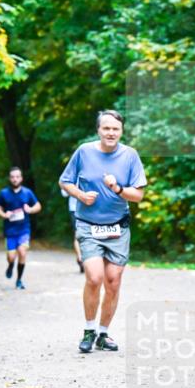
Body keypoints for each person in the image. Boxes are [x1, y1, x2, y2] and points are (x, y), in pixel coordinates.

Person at [59, 110, 147, 353]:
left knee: (113, 281)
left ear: (121, 131)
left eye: (115, 129)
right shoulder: (84, 152)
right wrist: (80, 195)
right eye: (106, 128)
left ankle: (104, 334)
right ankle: (88, 330)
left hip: (118, 227)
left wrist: (117, 188)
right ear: (98, 130)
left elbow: (138, 195)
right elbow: (65, 181)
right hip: (88, 225)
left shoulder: (130, 156)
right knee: (95, 277)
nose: (111, 133)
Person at [0, 167, 41, 290]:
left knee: (22, 252)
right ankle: (10, 265)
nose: (15, 179)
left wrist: (30, 209)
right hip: (10, 231)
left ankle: (19, 280)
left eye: (17, 177)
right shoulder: (4, 193)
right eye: (12, 177)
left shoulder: (27, 192)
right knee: (11, 257)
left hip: (24, 229)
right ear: (10, 178)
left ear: (21, 178)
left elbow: (38, 205)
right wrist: (4, 215)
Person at [61, 186, 85, 273]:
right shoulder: (71, 174)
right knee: (78, 234)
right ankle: (80, 257)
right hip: (75, 209)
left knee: (83, 233)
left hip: (87, 209)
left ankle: (82, 258)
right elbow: (64, 193)